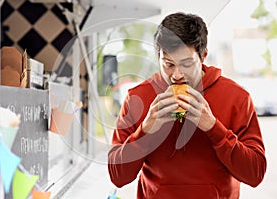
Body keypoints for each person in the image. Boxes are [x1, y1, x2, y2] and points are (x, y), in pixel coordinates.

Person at [107, 12, 266, 199]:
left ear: (203, 55)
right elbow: (117, 177)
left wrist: (214, 128)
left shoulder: (237, 97)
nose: (177, 75)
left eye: (187, 64)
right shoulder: (137, 98)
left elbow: (255, 175)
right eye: (168, 64)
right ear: (158, 57)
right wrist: (146, 130)